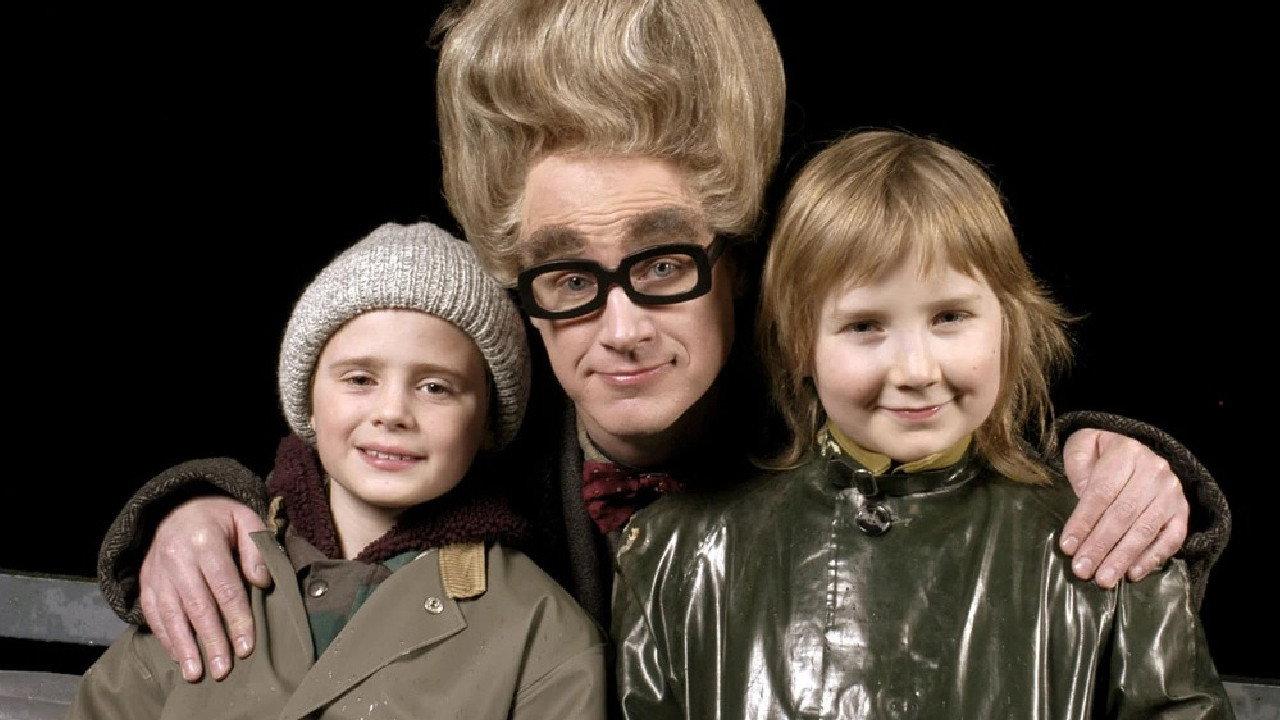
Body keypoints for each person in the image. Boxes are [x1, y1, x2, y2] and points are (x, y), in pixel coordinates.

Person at [95, 0, 1227, 686]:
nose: (622, 326)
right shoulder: (484, 446)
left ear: (735, 259)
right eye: (570, 280)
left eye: (664, 263)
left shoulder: (829, 409)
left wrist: (1116, 455)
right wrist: (196, 508)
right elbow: (333, 475)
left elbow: (976, 483)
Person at [614, 130, 1231, 718]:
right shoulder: (677, 557)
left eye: (950, 317)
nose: (915, 370)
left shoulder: (1112, 544)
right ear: (801, 345)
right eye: (864, 326)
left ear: (1008, 323)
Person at [73, 222, 605, 719]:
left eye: (435, 387)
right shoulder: (208, 574)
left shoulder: (541, 633)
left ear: (488, 421)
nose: (392, 412)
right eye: (359, 379)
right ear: (308, 400)